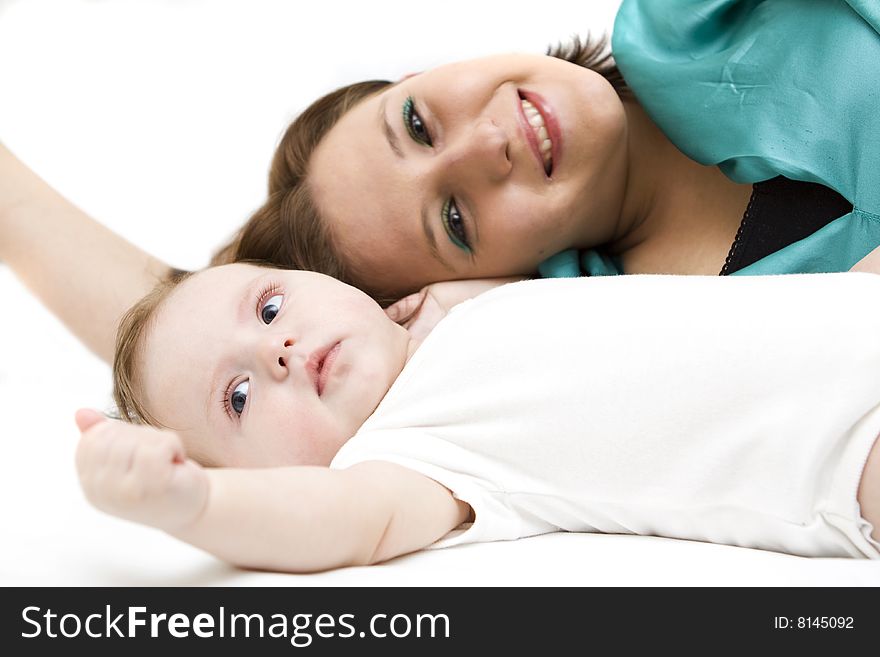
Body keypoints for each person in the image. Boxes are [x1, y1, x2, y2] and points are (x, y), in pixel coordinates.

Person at [75, 263, 880, 572]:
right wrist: (192, 505)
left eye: (270, 303)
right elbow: (334, 523)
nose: (277, 348)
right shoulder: (403, 458)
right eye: (239, 397)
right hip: (849, 449)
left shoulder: (446, 315)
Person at [215, 0, 880, 302]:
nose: (487, 144)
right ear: (489, 284)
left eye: (418, 124)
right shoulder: (670, 346)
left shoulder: (688, 15)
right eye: (454, 219)